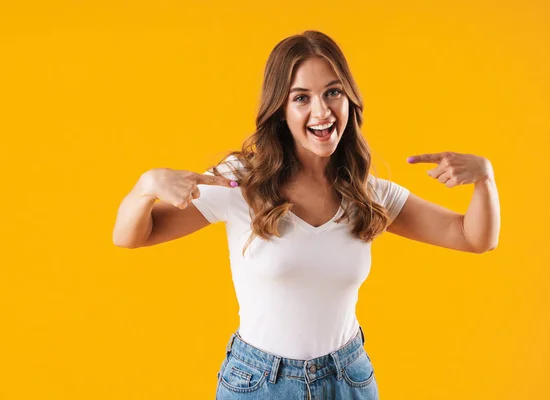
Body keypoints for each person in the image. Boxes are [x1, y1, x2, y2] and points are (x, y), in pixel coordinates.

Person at [112, 30, 500, 399]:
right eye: (301, 98)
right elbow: (132, 235)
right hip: (259, 384)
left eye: (333, 92)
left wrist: (485, 178)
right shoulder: (240, 183)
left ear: (349, 99)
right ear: (280, 109)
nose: (322, 111)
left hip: (348, 380)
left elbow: (473, 238)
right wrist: (145, 187)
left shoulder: (366, 193)